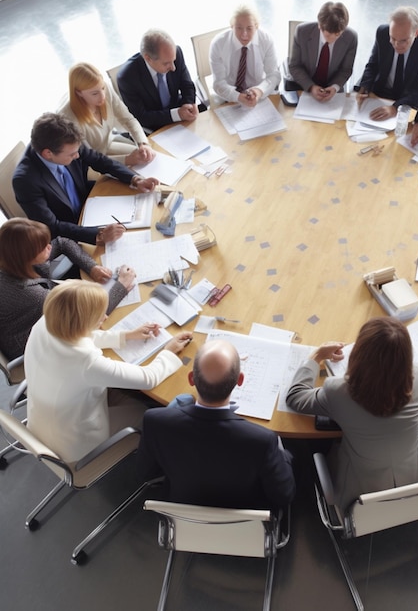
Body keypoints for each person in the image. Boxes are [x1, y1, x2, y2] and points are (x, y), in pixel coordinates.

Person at [25, 281, 192, 463]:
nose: (104, 317)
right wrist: (168, 351)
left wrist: (125, 335)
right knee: (149, 413)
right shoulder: (86, 362)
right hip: (74, 444)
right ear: (83, 322)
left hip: (42, 420)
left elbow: (77, 334)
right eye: (98, 316)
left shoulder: (45, 323)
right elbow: (148, 378)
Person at [286, 317, 418, 511]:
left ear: (358, 354)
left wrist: (316, 357)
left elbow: (296, 397)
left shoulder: (338, 391)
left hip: (361, 494)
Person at [136, 340, 296, 510]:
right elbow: (284, 496)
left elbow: (146, 473)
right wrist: (283, 454)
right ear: (240, 381)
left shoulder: (155, 421)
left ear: (191, 379)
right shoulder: (262, 440)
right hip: (241, 520)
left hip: (180, 515)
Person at [13, 112, 158, 245]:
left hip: (92, 205)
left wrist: (135, 179)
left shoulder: (67, 141)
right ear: (47, 154)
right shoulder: (25, 181)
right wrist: (98, 235)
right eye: (71, 155)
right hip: (71, 233)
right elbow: (52, 226)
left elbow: (99, 161)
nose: (77, 156)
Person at [0, 218, 135, 361]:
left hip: (41, 315)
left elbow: (62, 242)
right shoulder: (33, 295)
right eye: (43, 247)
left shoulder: (13, 261)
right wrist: (121, 286)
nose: (49, 247)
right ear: (26, 256)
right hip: (34, 349)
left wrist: (92, 267)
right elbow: (86, 317)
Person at [59, 62, 156, 167]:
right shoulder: (67, 117)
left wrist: (143, 143)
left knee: (146, 156)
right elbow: (87, 158)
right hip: (88, 164)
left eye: (102, 88)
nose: (103, 97)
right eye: (95, 93)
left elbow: (128, 119)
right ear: (78, 93)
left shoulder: (104, 89)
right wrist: (126, 160)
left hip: (106, 146)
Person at [355, 6, 418, 122]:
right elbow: (373, 65)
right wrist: (364, 88)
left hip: (408, 97)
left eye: (403, 41)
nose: (396, 45)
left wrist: (396, 107)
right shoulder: (382, 33)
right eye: (393, 38)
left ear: (416, 33)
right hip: (380, 91)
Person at [117, 29, 199, 131]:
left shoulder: (175, 53)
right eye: (166, 63)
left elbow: (186, 84)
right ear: (148, 58)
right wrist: (176, 114)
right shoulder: (127, 77)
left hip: (179, 112)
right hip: (153, 125)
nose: (173, 68)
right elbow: (140, 116)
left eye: (173, 61)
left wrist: (188, 103)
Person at [210, 5, 281, 108]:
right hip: (228, 97)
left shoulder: (266, 40)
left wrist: (259, 91)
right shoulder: (218, 43)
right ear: (231, 26)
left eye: (249, 28)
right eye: (239, 28)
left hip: (258, 95)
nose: (244, 34)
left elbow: (273, 75)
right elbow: (218, 83)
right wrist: (238, 96)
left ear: (256, 26)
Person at [287, 1, 357, 102]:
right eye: (328, 35)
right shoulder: (302, 32)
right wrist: (311, 87)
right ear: (319, 26)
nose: (333, 39)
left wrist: (334, 87)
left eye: (338, 34)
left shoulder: (351, 37)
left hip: (333, 90)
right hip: (304, 86)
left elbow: (345, 70)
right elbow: (294, 66)